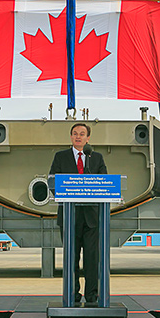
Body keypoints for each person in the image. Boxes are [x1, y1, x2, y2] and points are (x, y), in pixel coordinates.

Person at [50, 123, 108, 305]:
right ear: (70, 136)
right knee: (71, 259)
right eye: (75, 134)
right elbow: (52, 182)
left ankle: (92, 296)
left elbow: (106, 183)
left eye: (82, 134)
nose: (78, 137)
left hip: (92, 218)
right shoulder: (60, 157)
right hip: (69, 217)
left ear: (88, 138)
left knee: (92, 260)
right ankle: (72, 295)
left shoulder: (96, 158)